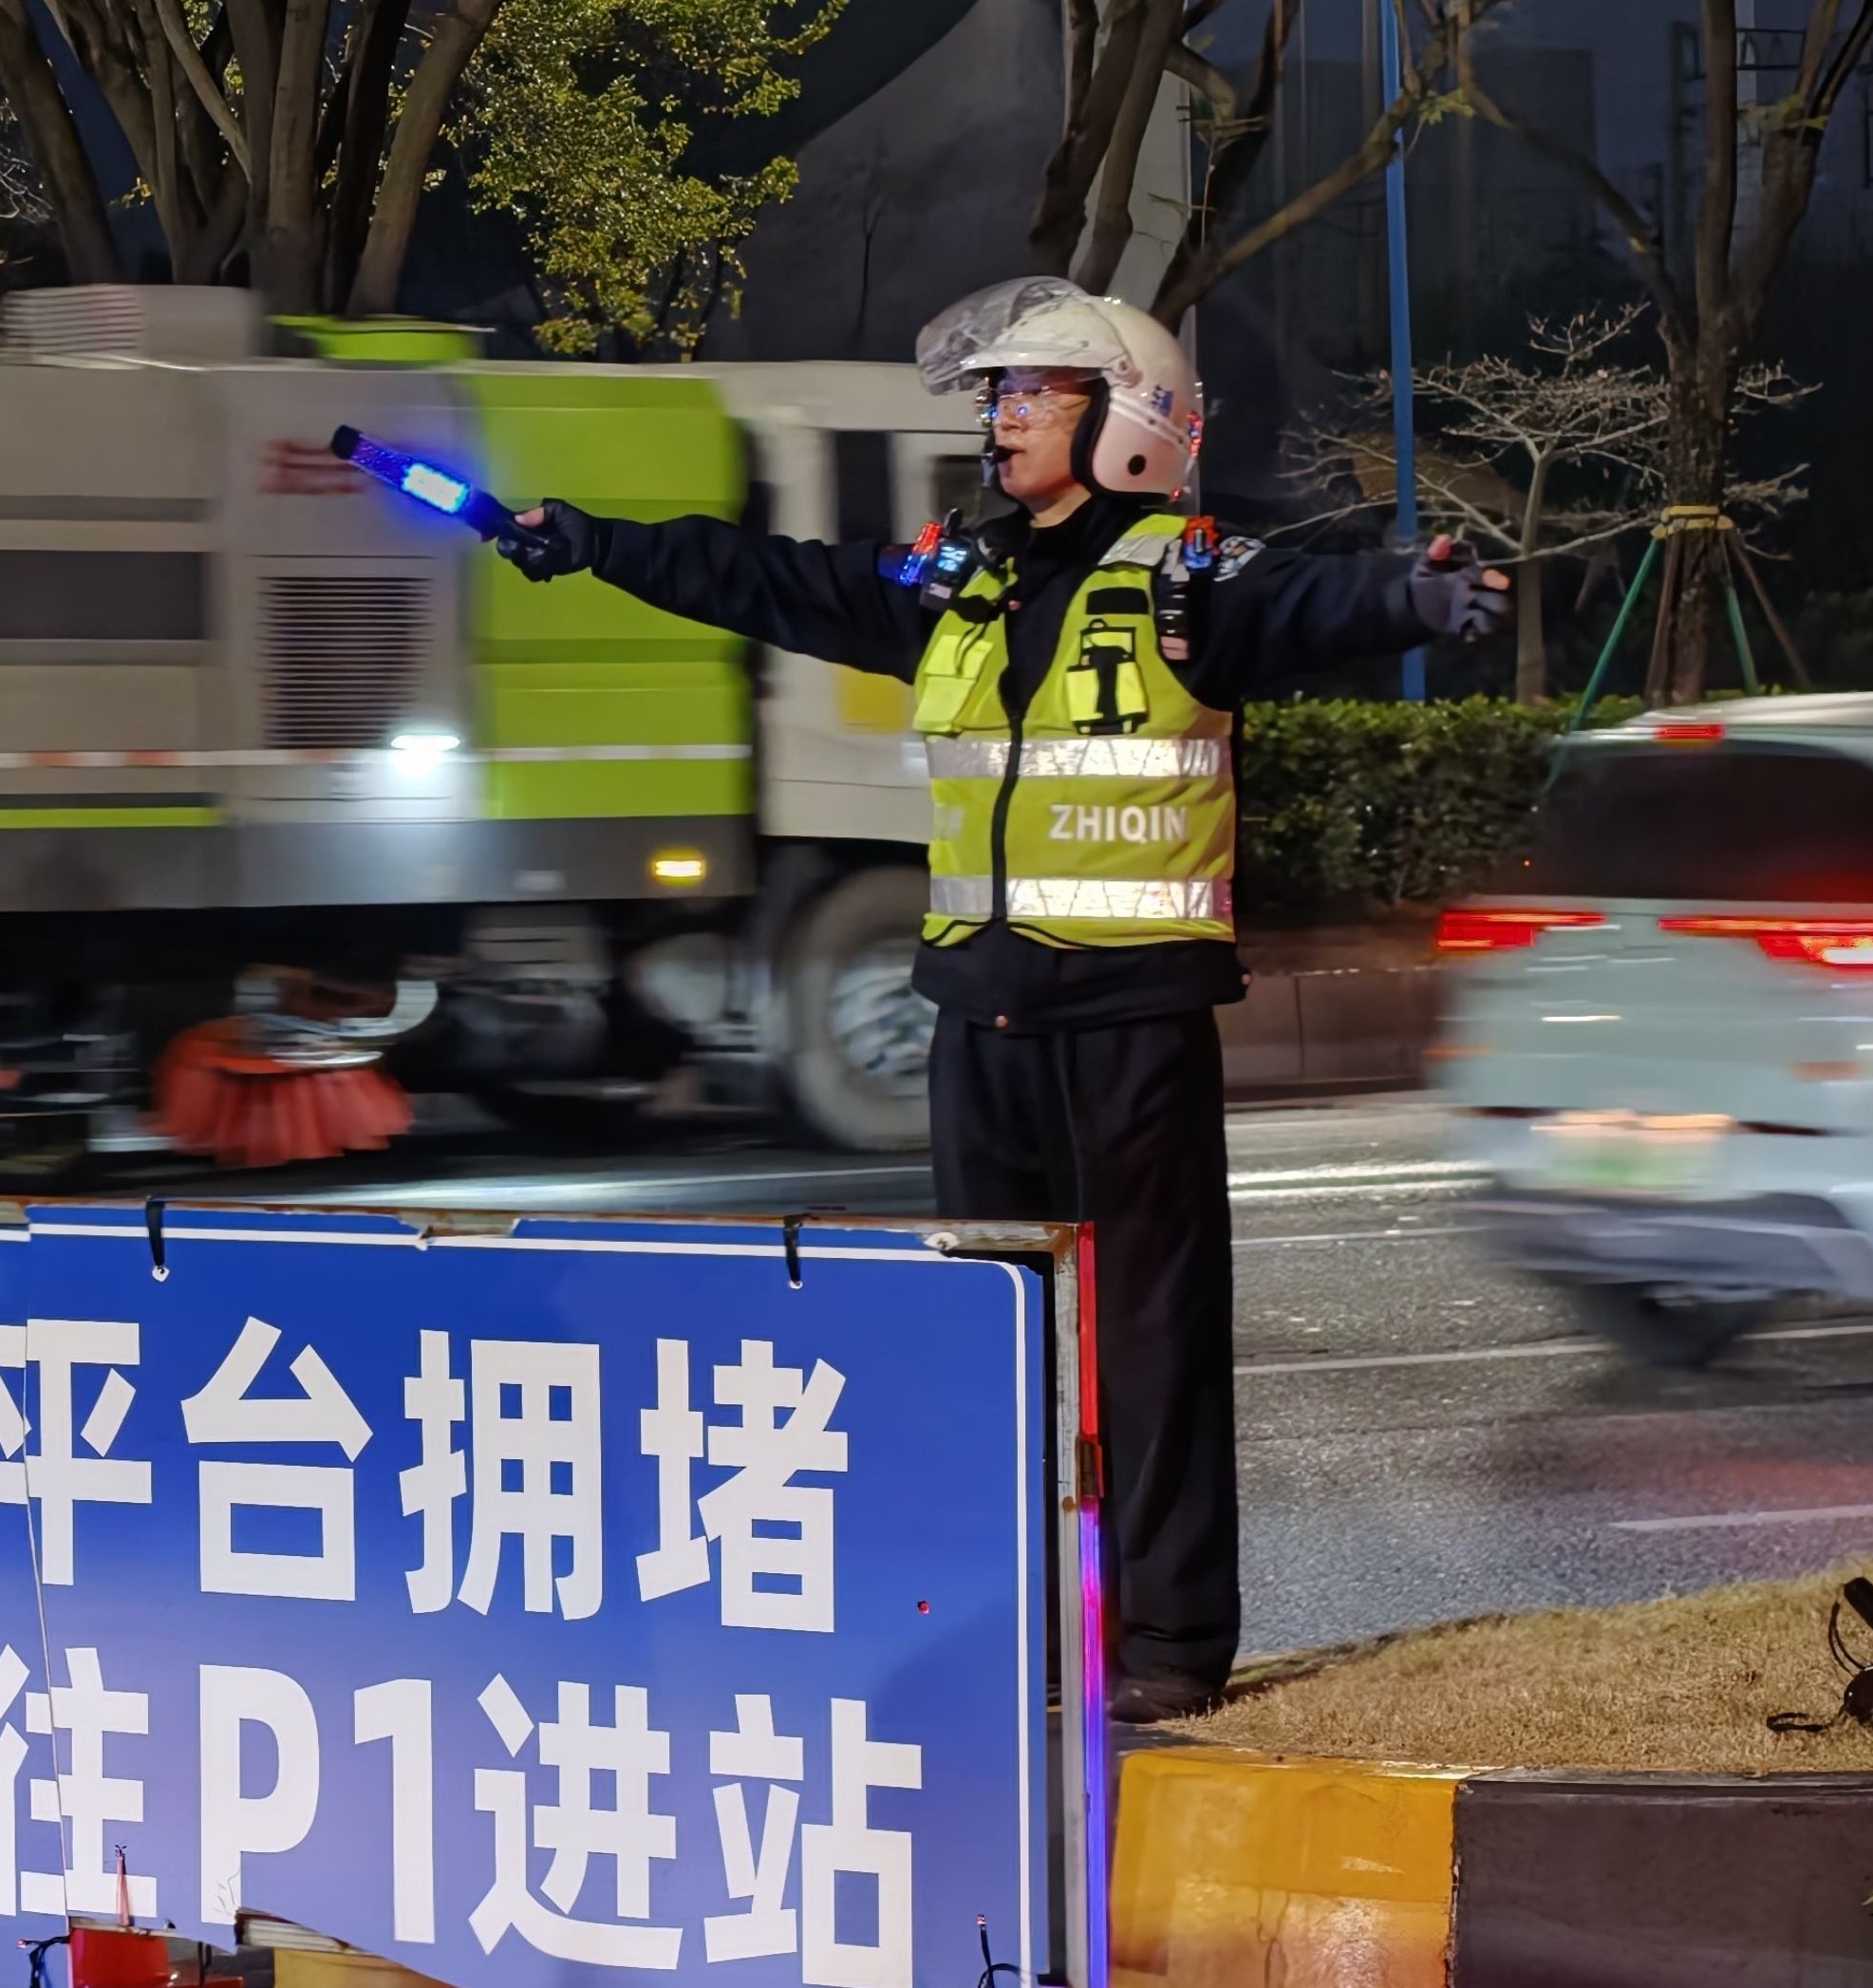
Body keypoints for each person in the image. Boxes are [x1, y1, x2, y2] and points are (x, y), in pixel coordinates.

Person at [498, 277, 1510, 1722]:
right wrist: (596, 545)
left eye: (1033, 390)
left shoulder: (1189, 577)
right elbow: (772, 579)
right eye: (999, 392)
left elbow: (1312, 599)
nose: (1002, 414)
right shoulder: (958, 583)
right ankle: (1025, 1628)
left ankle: (1168, 1645)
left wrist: (1415, 595)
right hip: (979, 1022)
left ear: (1128, 417)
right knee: (991, 1346)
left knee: (1152, 1342)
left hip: (1131, 1021)